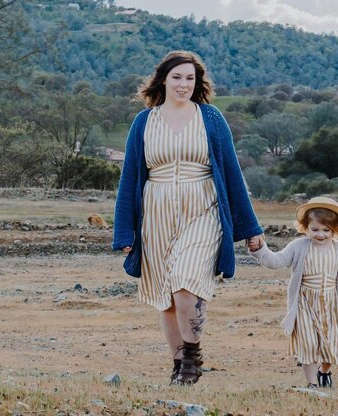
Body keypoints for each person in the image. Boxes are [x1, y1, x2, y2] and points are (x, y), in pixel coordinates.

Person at [112, 50, 262, 385]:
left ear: (198, 83)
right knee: (165, 297)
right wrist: (124, 232)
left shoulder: (210, 118)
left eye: (190, 78)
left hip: (202, 209)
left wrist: (250, 226)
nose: (183, 84)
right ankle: (179, 366)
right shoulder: (143, 122)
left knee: (185, 284)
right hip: (156, 214)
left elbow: (232, 173)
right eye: (177, 77)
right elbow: (131, 178)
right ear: (163, 79)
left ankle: (193, 360)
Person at [249, 196, 338, 388]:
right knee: (307, 344)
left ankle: (324, 371)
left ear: (336, 230)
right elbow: (276, 261)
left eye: (327, 230)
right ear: (305, 227)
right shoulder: (299, 246)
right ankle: (312, 385)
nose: (321, 235)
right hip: (305, 303)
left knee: (330, 345)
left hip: (331, 303)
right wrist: (260, 249)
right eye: (314, 229)